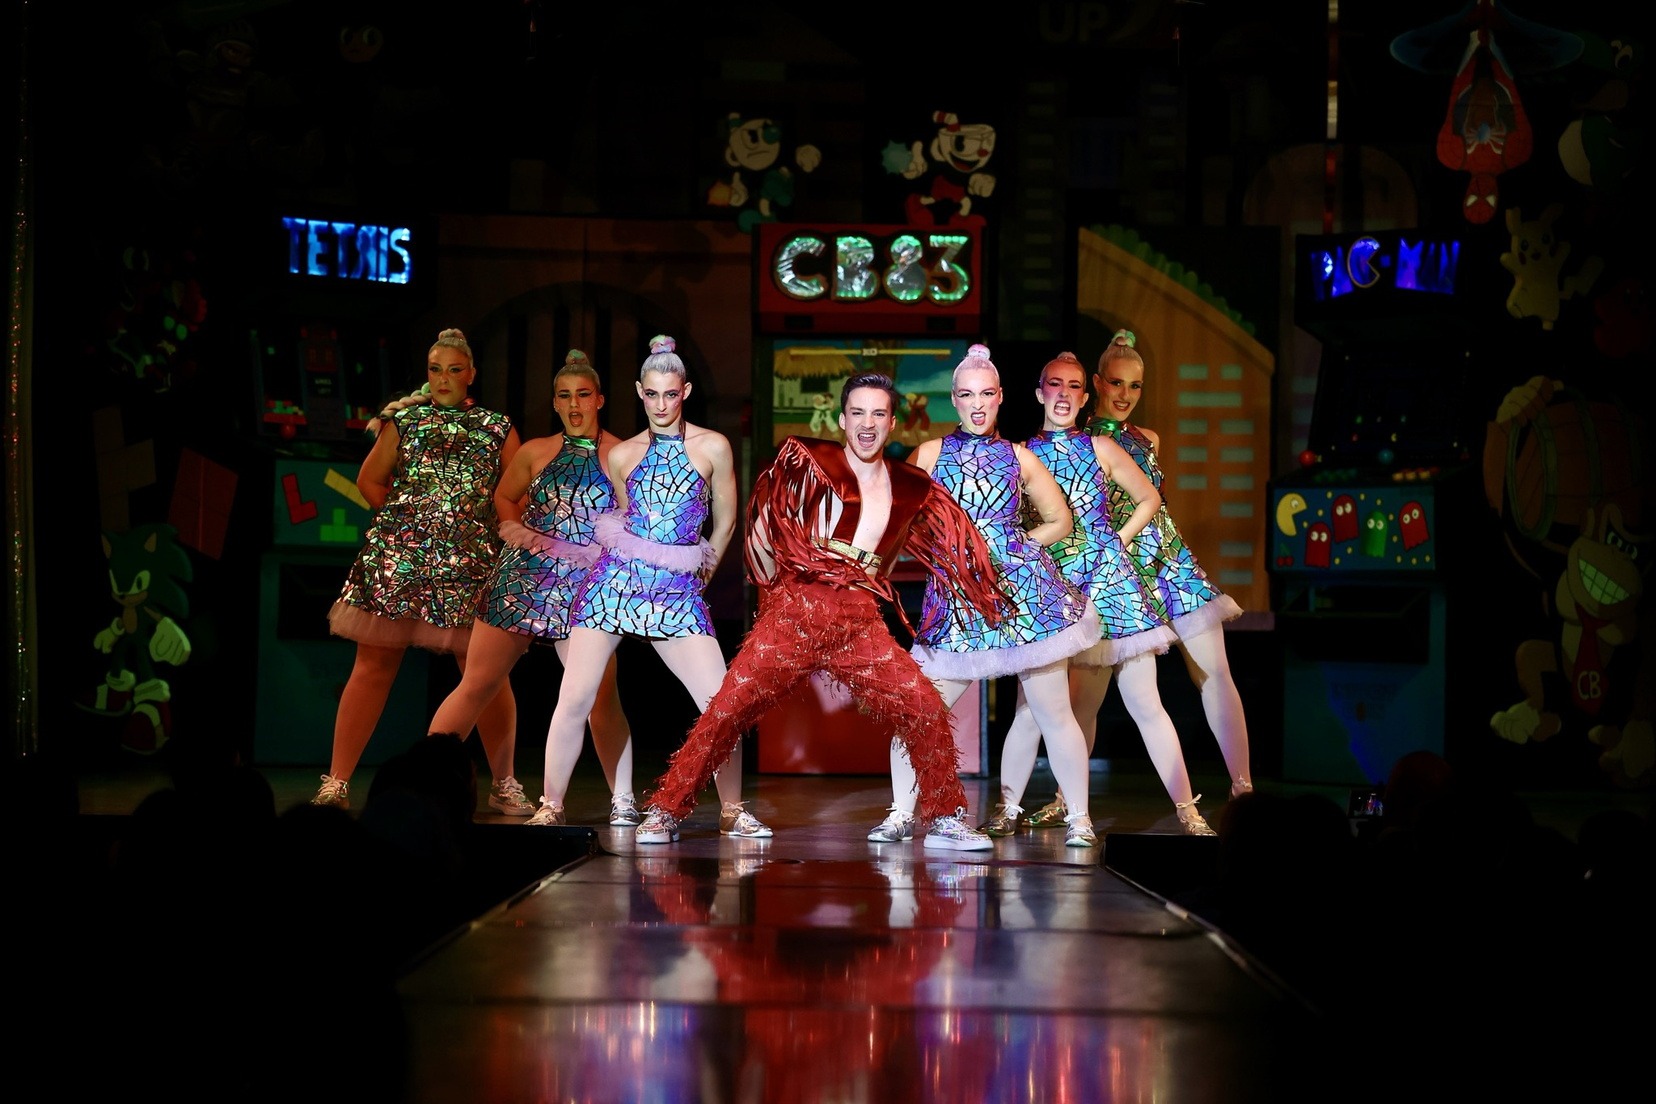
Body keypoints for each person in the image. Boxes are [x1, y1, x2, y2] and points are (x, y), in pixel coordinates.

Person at [636, 371, 1009, 847]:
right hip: (795, 613)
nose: (867, 424)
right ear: (842, 419)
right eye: (858, 413)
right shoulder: (810, 463)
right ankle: (665, 810)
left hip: (858, 623)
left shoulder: (909, 486)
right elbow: (762, 534)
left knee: (923, 706)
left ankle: (944, 819)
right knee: (726, 710)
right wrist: (781, 599)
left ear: (892, 423)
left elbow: (902, 554)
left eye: (878, 414)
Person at [525, 335, 769, 838]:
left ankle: (732, 809)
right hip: (614, 584)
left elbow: (725, 521)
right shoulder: (622, 455)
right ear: (639, 392)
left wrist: (701, 575)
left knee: (721, 702)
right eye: (652, 394)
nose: (661, 405)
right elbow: (626, 518)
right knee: (575, 697)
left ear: (686, 392)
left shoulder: (712, 447)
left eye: (670, 394)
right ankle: (551, 805)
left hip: (675, 590)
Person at [1024, 328, 1252, 824]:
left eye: (1135, 386)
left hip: (1168, 564)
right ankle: (1067, 799)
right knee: (1086, 698)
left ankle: (1244, 789)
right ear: (1095, 385)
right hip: (1113, 575)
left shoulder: (1148, 439)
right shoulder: (1080, 441)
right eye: (1116, 383)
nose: (1125, 394)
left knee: (1215, 674)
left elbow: (1153, 504)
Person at [992, 351, 1216, 838]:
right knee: (1032, 710)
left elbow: (1149, 498)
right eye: (1055, 384)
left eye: (1074, 386)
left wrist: (1117, 540)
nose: (1064, 394)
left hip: (1109, 586)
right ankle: (1010, 809)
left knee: (1145, 702)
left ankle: (1188, 812)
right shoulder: (1019, 453)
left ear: (1084, 396)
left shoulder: (1101, 447)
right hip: (1049, 589)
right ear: (1039, 392)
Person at [894, 343, 1103, 848]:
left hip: (1022, 595)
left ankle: (1079, 818)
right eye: (967, 395)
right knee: (917, 710)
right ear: (954, 399)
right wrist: (942, 551)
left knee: (1054, 712)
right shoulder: (930, 454)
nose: (978, 404)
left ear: (1001, 396)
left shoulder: (1019, 457)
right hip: (956, 600)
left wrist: (1016, 548)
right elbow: (901, 522)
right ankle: (900, 813)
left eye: (986, 394)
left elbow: (1060, 520)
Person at [313, 328, 524, 813]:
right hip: (401, 562)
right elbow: (369, 480)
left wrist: (493, 533)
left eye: (454, 369)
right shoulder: (406, 422)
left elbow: (518, 492)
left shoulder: (496, 427)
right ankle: (336, 781)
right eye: (435, 369)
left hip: (470, 564)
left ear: (471, 374)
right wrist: (404, 524)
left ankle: (505, 783)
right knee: (373, 666)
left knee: (486, 674)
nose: (444, 378)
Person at [425, 350, 639, 826]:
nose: (574, 404)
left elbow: (638, 520)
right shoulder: (535, 451)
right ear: (555, 403)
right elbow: (504, 495)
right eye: (565, 396)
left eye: (583, 394)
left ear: (600, 399)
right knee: (476, 684)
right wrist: (517, 531)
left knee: (600, 698)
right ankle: (423, 786)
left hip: (586, 588)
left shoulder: (624, 454)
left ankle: (623, 800)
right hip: (523, 578)